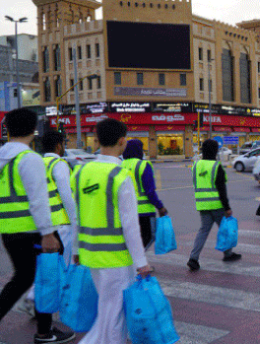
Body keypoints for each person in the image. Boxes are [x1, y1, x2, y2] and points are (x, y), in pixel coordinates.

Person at [72, 119, 153, 344]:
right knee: (115, 315)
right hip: (115, 257)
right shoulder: (119, 176)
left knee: (107, 309)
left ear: (98, 140)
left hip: (90, 255)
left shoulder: (80, 172)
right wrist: (141, 262)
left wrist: (76, 250)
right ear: (122, 141)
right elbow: (130, 225)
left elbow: (76, 215)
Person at [0, 109, 75, 344]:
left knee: (25, 279)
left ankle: (45, 329)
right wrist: (48, 233)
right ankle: (44, 332)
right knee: (44, 278)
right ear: (34, 130)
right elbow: (38, 199)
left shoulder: (3, 157)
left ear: (8, 129)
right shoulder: (29, 158)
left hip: (9, 231)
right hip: (33, 231)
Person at [16, 130, 80, 317]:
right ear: (59, 146)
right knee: (60, 266)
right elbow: (67, 196)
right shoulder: (58, 164)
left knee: (46, 266)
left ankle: (33, 301)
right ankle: (47, 305)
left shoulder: (39, 163)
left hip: (40, 224)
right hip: (60, 224)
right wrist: (75, 220)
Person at [187, 139, 240, 272]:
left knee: (203, 231)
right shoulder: (216, 167)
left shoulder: (196, 166)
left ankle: (193, 258)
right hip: (217, 205)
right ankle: (228, 254)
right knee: (225, 229)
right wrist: (227, 207)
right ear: (215, 151)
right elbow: (222, 190)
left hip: (202, 205)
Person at [121, 139, 168, 252]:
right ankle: (137, 263)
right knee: (149, 236)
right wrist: (160, 206)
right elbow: (150, 191)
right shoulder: (143, 165)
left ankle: (133, 263)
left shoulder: (121, 164)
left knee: (131, 238)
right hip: (144, 210)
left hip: (126, 209)